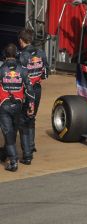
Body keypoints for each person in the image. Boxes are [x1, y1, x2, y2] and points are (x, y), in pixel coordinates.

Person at [0, 43, 34, 171]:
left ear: (5, 54)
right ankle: (13, 155)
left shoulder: (1, 69)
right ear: (17, 54)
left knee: (8, 133)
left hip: (4, 106)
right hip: (18, 106)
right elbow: (30, 90)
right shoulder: (24, 69)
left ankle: (13, 162)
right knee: (14, 130)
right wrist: (30, 106)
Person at [18, 29, 49, 164]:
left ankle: (27, 153)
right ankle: (31, 145)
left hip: (26, 92)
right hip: (37, 90)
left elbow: (18, 77)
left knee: (23, 120)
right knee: (32, 117)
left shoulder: (22, 55)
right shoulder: (41, 53)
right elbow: (46, 73)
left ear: (21, 40)